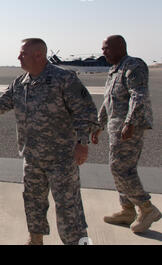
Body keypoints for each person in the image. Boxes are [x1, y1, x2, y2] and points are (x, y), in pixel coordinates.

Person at [0, 38, 98, 245]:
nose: (18, 57)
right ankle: (35, 240)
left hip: (62, 159)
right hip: (32, 158)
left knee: (69, 207)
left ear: (38, 55)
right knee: (33, 202)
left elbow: (85, 111)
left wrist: (82, 143)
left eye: (23, 54)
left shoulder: (64, 79)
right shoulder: (20, 83)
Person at [92, 35, 161, 233]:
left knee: (121, 169)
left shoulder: (133, 65)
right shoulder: (114, 70)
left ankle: (147, 208)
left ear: (120, 47)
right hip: (116, 126)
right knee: (119, 167)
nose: (103, 52)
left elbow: (138, 95)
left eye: (106, 48)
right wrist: (99, 125)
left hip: (129, 128)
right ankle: (127, 210)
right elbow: (108, 101)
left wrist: (130, 122)